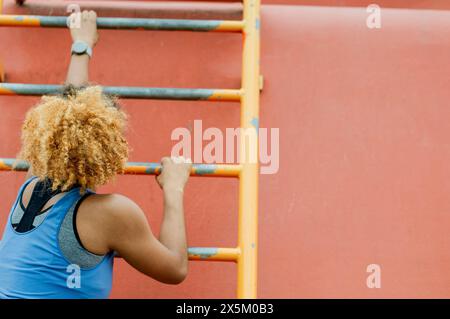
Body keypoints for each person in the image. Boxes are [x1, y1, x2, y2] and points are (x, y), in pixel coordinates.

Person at [0, 10, 191, 299]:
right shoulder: (111, 213)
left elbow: (71, 107)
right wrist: (174, 188)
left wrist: (82, 46)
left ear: (49, 138)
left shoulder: (33, 182)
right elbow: (175, 268)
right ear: (109, 150)